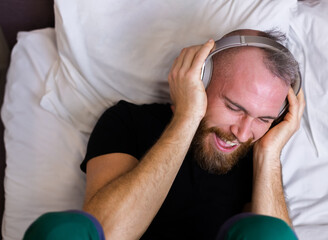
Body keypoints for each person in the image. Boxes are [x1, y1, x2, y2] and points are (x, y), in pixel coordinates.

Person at [24, 29, 305, 240]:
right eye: (234, 107)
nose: (243, 133)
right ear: (200, 78)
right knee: (59, 231)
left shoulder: (254, 155)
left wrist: (269, 155)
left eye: (264, 118)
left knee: (270, 233)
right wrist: (187, 117)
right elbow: (105, 233)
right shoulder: (127, 121)